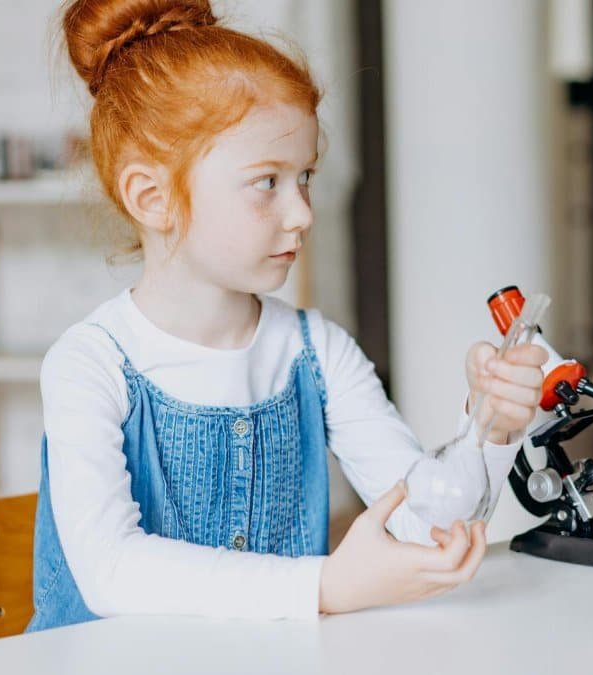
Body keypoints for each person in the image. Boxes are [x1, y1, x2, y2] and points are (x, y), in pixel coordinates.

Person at [27, 0, 548, 631]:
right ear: (152, 197)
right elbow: (112, 571)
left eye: (304, 178)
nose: (302, 213)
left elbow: (425, 525)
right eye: (266, 182)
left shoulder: (318, 351)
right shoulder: (89, 365)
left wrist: (488, 428)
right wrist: (326, 586)